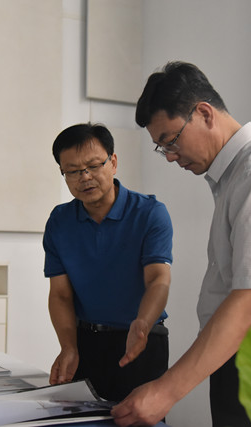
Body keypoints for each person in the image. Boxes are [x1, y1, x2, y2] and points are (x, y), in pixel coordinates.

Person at [111, 62, 251, 426]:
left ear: (204, 113)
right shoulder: (238, 177)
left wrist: (165, 391)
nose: (170, 156)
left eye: (171, 140)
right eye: (161, 148)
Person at [43, 123, 174, 402]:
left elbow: (158, 279)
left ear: (113, 162)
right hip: (85, 343)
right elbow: (60, 294)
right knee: (80, 419)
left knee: (139, 418)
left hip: (142, 340)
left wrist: (142, 323)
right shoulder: (59, 221)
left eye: (93, 166)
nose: (85, 177)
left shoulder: (149, 213)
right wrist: (68, 347)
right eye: (73, 171)